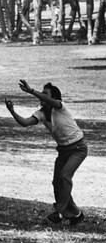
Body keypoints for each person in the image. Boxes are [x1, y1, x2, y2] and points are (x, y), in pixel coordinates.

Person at [5, 80, 88, 226]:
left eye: (45, 95)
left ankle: (60, 212)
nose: (42, 97)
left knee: (64, 177)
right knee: (57, 182)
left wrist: (32, 91)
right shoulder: (42, 114)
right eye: (41, 95)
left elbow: (51, 101)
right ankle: (76, 214)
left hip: (78, 148)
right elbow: (25, 122)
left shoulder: (60, 107)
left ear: (53, 98)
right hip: (63, 150)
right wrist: (12, 111)